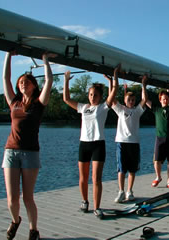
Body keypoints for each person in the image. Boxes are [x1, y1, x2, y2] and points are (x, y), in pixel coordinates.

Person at [2, 51, 55, 240]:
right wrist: (8, 54)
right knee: (12, 199)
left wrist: (46, 60)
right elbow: (5, 77)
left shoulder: (39, 103)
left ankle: (34, 230)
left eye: (27, 81)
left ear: (33, 86)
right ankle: (16, 221)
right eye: (21, 81)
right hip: (10, 152)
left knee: (27, 197)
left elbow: (49, 80)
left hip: (30, 154)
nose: (23, 83)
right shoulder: (14, 102)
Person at [63, 66, 119, 219]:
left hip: (98, 145)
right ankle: (84, 201)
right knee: (82, 177)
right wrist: (66, 81)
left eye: (95, 95)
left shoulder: (103, 107)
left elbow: (113, 93)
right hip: (84, 144)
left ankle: (97, 207)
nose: (92, 97)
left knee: (96, 178)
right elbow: (66, 99)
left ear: (100, 97)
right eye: (90, 94)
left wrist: (114, 77)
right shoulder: (83, 107)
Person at [106, 75, 148, 203]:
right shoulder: (120, 109)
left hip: (134, 143)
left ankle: (129, 191)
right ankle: (121, 191)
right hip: (122, 142)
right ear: (125, 100)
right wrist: (110, 82)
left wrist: (143, 85)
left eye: (133, 99)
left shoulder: (137, 111)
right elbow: (111, 98)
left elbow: (144, 99)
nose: (131, 101)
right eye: (129, 99)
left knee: (132, 169)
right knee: (121, 169)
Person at [147, 85, 169, 189]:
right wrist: (143, 85)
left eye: (166, 99)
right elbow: (145, 99)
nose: (165, 100)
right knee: (156, 160)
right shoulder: (156, 109)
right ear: (160, 100)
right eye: (163, 99)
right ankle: (158, 177)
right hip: (160, 138)